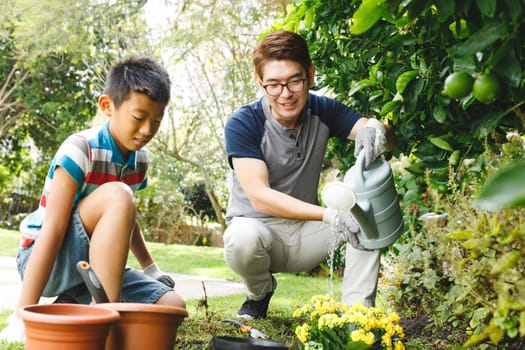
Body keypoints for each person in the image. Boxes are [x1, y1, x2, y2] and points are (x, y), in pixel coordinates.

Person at [0, 56, 185, 342]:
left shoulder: (139, 162)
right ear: (107, 106)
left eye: (157, 121)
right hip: (49, 260)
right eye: (139, 117)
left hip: (96, 268)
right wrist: (22, 313)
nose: (148, 130)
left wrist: (151, 268)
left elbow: (126, 218)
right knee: (118, 196)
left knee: (171, 306)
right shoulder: (80, 149)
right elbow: (54, 228)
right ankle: (102, 321)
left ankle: (72, 308)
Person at [223, 30, 394, 320]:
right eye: (273, 85)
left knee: (369, 212)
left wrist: (376, 130)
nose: (286, 94)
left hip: (307, 233)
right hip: (259, 233)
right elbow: (260, 197)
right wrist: (330, 215)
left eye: (295, 81)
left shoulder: (322, 109)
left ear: (310, 74)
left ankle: (357, 317)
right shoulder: (244, 123)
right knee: (242, 238)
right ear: (259, 82)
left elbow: (380, 135)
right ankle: (259, 292)